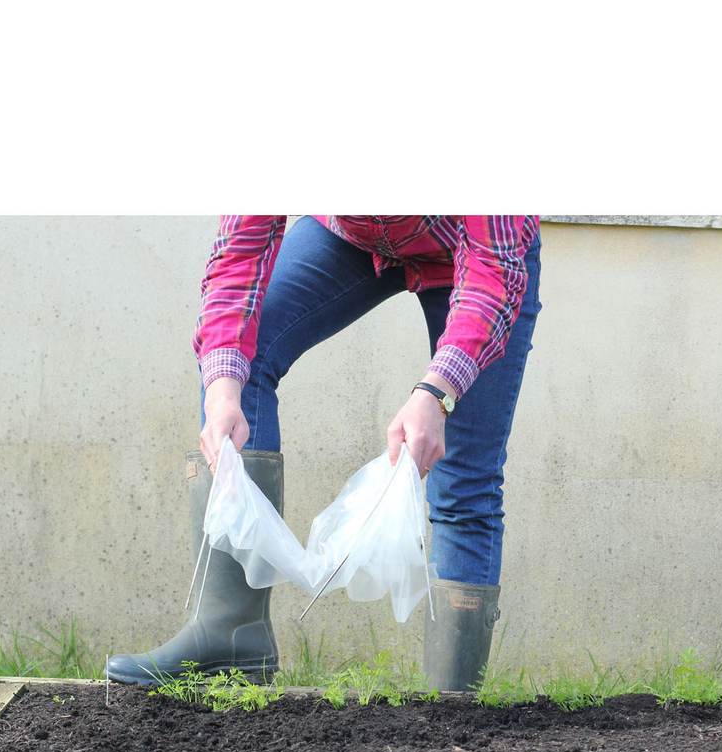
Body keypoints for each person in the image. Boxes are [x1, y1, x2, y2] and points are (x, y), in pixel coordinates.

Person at [106, 215, 542, 692]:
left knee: (462, 476)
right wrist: (221, 388)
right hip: (353, 237)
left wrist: (438, 394)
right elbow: (240, 252)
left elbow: (492, 274)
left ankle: (452, 715)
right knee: (237, 363)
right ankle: (231, 637)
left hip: (477, 252)